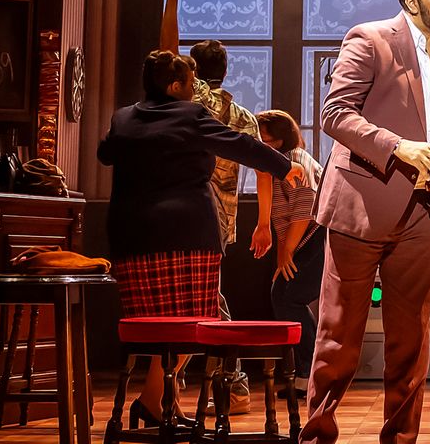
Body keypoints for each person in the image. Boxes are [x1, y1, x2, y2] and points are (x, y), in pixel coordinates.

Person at [301, 0, 430, 444]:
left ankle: (401, 438)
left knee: (412, 341)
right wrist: (397, 146)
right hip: (361, 205)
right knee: (338, 335)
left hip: (425, 214)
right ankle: (318, 434)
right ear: (410, 1)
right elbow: (335, 113)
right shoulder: (371, 39)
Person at [98, 50, 304, 426]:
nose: (196, 91)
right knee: (193, 323)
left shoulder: (123, 117)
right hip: (186, 232)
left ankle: (160, 402)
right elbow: (239, 145)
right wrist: (284, 165)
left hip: (130, 233)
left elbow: (105, 153)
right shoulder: (191, 115)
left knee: (152, 323)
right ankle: (154, 400)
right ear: (175, 86)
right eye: (191, 85)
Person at [160, 0, 262, 413]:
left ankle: (216, 382)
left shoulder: (195, 97)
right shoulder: (240, 114)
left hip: (184, 215)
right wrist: (264, 225)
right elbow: (264, 166)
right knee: (205, 296)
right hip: (222, 224)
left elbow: (166, 50)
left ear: (192, 71)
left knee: (190, 300)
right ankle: (221, 383)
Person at [255, 109, 325, 397]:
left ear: (278, 139)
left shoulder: (293, 161)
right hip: (306, 240)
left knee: (287, 296)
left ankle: (308, 373)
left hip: (315, 238)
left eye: (263, 136)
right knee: (285, 295)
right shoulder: (278, 164)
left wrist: (287, 252)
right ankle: (305, 373)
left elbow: (304, 206)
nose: (258, 141)